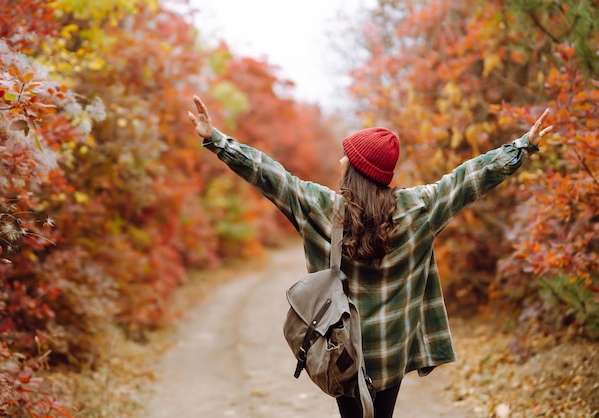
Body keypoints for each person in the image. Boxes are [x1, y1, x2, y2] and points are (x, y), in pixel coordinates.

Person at [188, 95, 553, 418]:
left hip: (344, 352)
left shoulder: (322, 208)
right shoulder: (419, 209)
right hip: (392, 349)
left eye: (346, 156)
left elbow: (270, 176)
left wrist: (217, 141)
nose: (340, 160)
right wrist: (521, 146)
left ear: (356, 169)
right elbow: (469, 178)